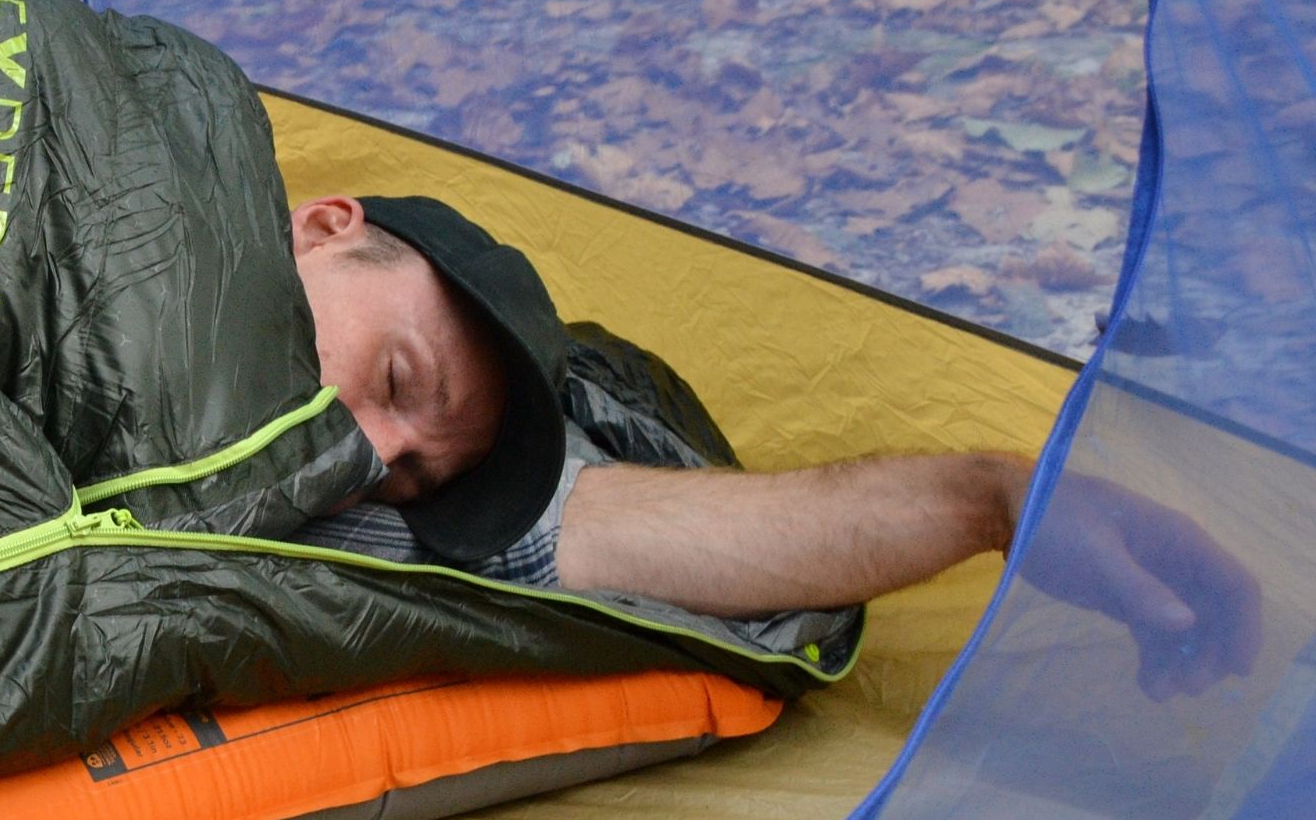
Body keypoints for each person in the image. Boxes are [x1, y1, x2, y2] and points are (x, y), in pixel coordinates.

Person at [285, 193, 1262, 698]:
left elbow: (613, 531)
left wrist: (999, 500)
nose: (368, 451)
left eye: (413, 474)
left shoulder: (328, 530)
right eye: (397, 379)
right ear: (323, 227)